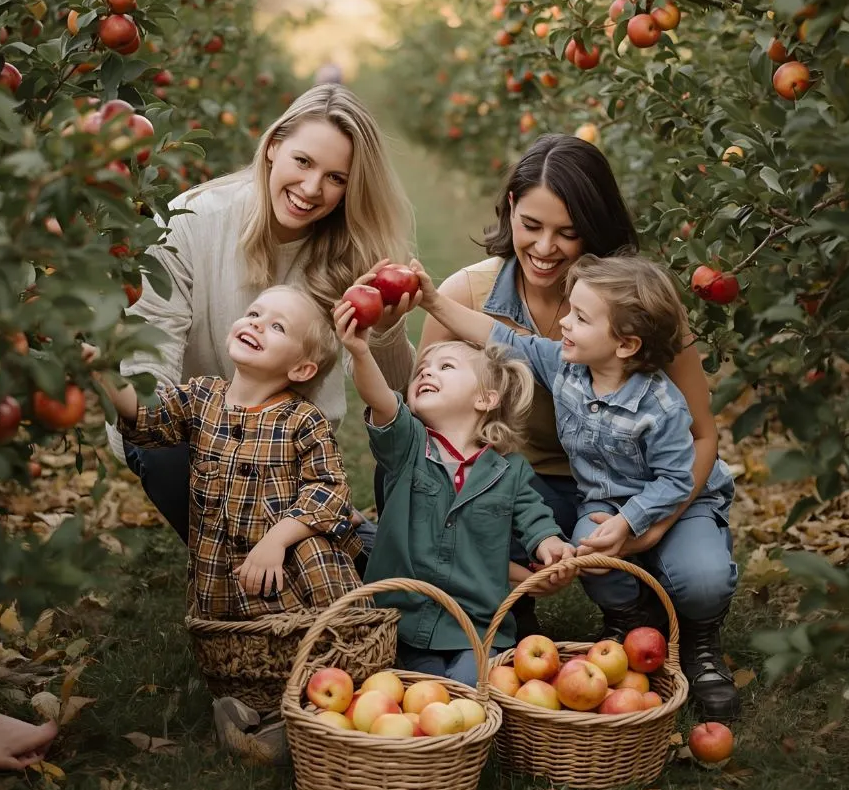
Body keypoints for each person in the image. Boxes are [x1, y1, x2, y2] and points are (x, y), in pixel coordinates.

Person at [415, 133, 739, 719]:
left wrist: (646, 523)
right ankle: (573, 619)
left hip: (656, 482)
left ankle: (697, 636)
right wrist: (430, 303)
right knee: (484, 531)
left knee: (701, 576)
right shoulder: (493, 303)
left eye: (568, 232)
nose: (545, 247)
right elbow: (441, 404)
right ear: (510, 205)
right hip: (546, 485)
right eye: (532, 224)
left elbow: (701, 437)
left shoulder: (637, 304)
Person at [107, 84, 418, 547]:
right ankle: (265, 564)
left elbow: (397, 399)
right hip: (188, 438)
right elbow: (148, 361)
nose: (312, 189)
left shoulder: (350, 250)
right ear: (273, 146)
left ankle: (355, 557)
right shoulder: (190, 223)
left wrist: (386, 331)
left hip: (287, 454)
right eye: (303, 162)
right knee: (167, 453)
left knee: (373, 571)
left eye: (336, 178)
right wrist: (215, 444)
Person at [335, 298, 577, 688]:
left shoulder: (509, 470)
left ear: (485, 399)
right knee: (415, 691)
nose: (427, 372)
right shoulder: (408, 447)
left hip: (475, 625)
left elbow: (534, 518)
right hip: (400, 620)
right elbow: (380, 400)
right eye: (423, 371)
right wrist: (361, 351)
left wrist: (548, 544)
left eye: (446, 367)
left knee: (468, 689)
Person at [90, 285, 362, 619]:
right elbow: (147, 413)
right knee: (241, 661)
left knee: (321, 647)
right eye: (253, 314)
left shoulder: (303, 420)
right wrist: (101, 372)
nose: (258, 324)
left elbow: (330, 490)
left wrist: (276, 541)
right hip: (223, 586)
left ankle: (340, 637)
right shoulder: (202, 398)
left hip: (294, 579)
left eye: (278, 327)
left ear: (301, 369)